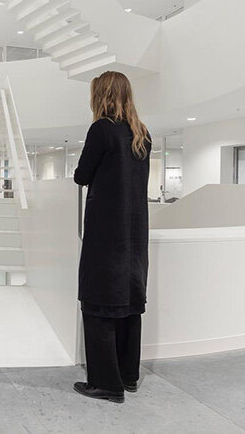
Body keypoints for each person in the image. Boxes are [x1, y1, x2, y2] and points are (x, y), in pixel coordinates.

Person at [72, 70, 152, 404]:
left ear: (100, 96)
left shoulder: (101, 129)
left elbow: (81, 175)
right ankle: (128, 376)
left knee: (99, 304)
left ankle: (106, 383)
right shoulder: (142, 133)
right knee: (129, 305)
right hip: (135, 237)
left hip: (107, 234)